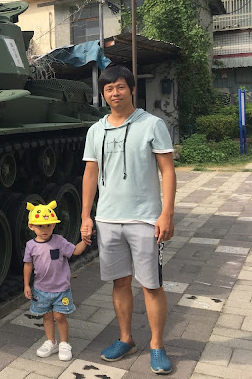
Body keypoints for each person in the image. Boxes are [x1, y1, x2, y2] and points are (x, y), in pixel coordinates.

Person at [80, 65, 176, 375]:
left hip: (145, 220)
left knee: (151, 285)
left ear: (131, 89)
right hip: (108, 219)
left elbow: (168, 171)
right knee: (119, 282)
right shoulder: (96, 130)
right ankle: (125, 339)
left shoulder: (152, 125)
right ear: (103, 93)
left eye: (120, 87)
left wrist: (167, 214)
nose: (115, 93)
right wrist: (85, 215)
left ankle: (157, 345)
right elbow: (90, 173)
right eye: (109, 89)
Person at [24, 200, 87, 361]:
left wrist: (84, 242)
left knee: (60, 316)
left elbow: (74, 251)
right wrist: (26, 284)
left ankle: (64, 343)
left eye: (48, 226)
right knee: (46, 316)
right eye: (40, 226)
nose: (44, 230)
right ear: (31, 226)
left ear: (53, 225)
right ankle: (51, 342)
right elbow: (28, 265)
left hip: (61, 289)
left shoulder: (59, 241)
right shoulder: (30, 245)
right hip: (41, 289)